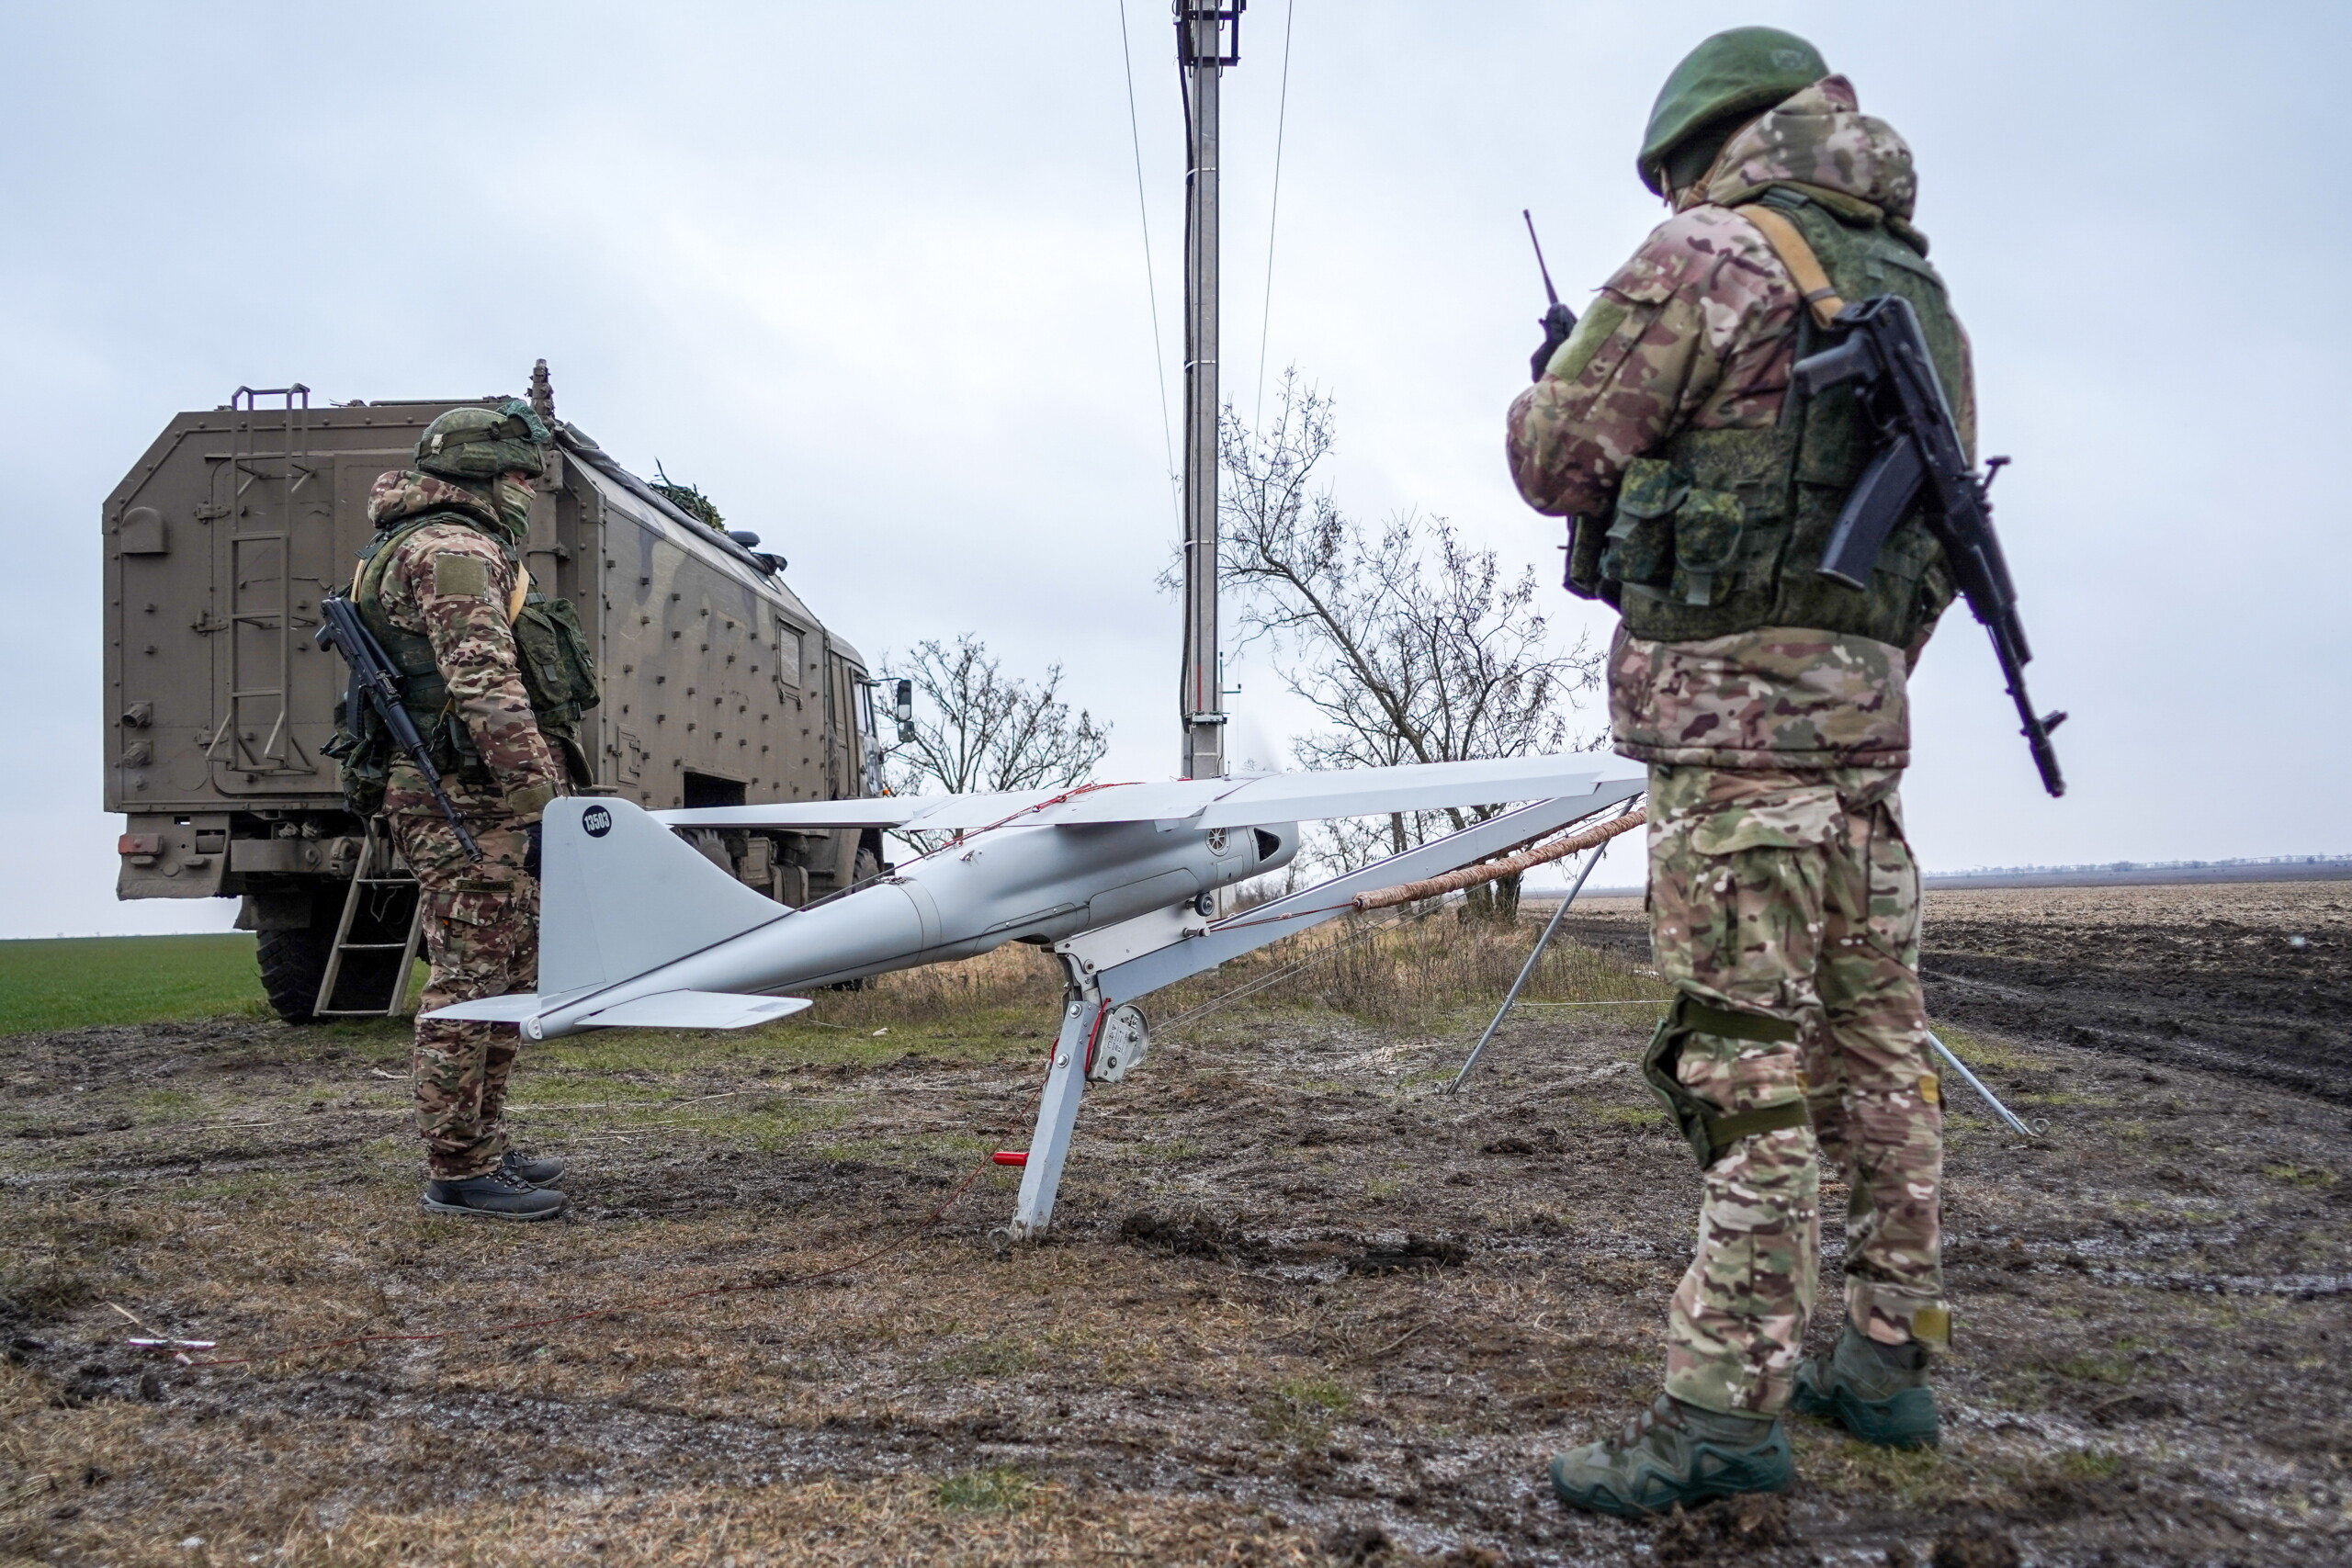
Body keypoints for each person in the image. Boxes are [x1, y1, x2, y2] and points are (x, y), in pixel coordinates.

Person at [1505, 26, 1965, 1514]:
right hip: (1864, 739)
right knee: (1876, 1051)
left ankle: (1721, 1412)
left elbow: (1554, 453)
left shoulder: (1707, 253)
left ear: (1706, 148)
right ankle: (1887, 1358)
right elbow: (1933, 544)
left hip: (1731, 741)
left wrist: (1572, 388)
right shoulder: (1921, 287)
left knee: (1743, 1062)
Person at [348, 400, 595, 1221]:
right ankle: (458, 1166)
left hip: (473, 794)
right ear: (483, 474)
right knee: (471, 979)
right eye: (521, 475)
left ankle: (483, 1140)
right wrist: (547, 810)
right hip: (466, 796)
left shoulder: (430, 541)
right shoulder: (452, 550)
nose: (529, 490)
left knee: (506, 968)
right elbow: (487, 691)